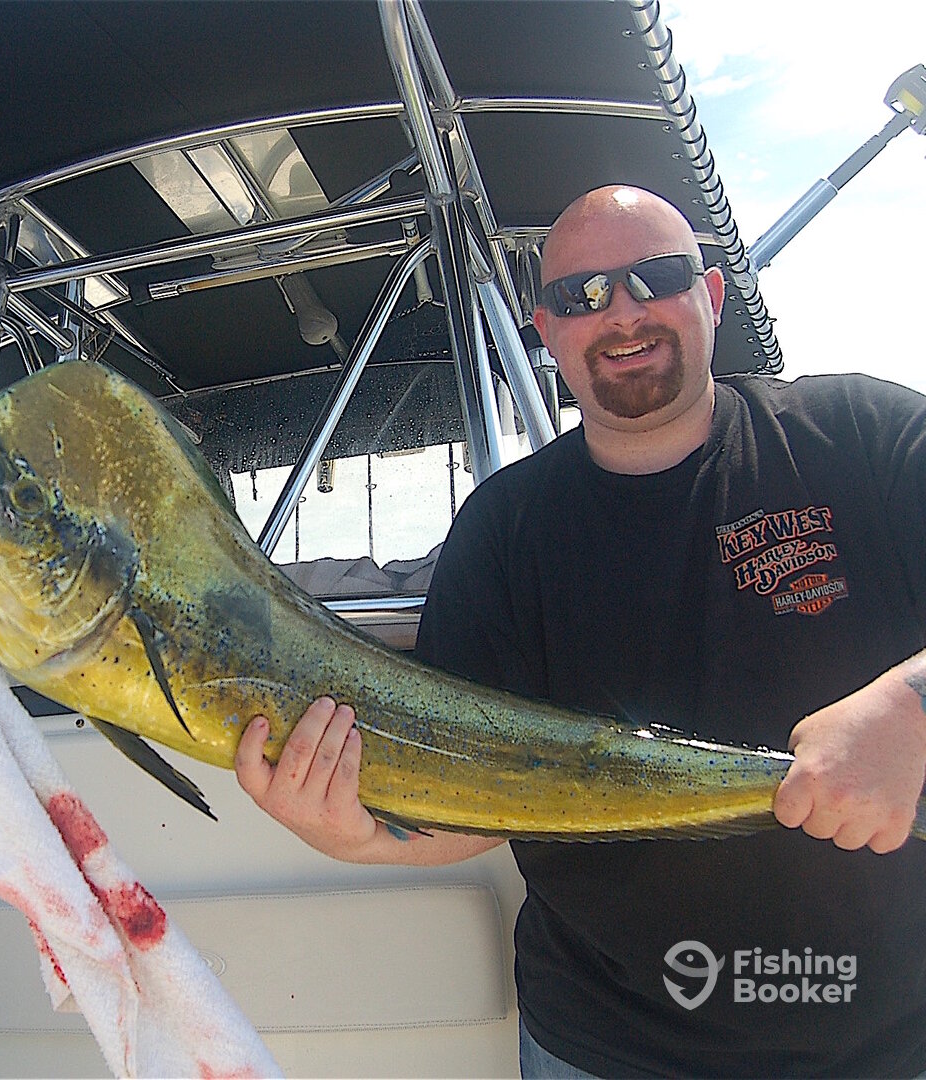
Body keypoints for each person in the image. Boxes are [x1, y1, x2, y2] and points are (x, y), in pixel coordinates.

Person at [235, 185, 926, 1077]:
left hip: (892, 1041)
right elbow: (475, 791)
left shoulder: (861, 434)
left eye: (657, 276)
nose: (623, 311)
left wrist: (911, 708)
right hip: (600, 1047)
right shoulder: (501, 530)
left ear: (712, 294)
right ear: (548, 330)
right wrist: (359, 837)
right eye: (582, 294)